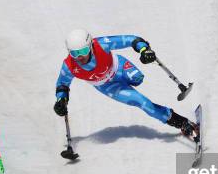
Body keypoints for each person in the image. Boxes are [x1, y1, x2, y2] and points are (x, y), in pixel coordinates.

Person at [53, 29, 197, 138]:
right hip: (108, 86)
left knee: (138, 79)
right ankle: (183, 123)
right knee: (142, 102)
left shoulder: (101, 45)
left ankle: (133, 77)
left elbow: (131, 40)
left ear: (90, 46)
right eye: (74, 54)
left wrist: (144, 49)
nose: (80, 57)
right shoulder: (69, 66)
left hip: (119, 67)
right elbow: (62, 85)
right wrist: (61, 100)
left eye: (83, 51)